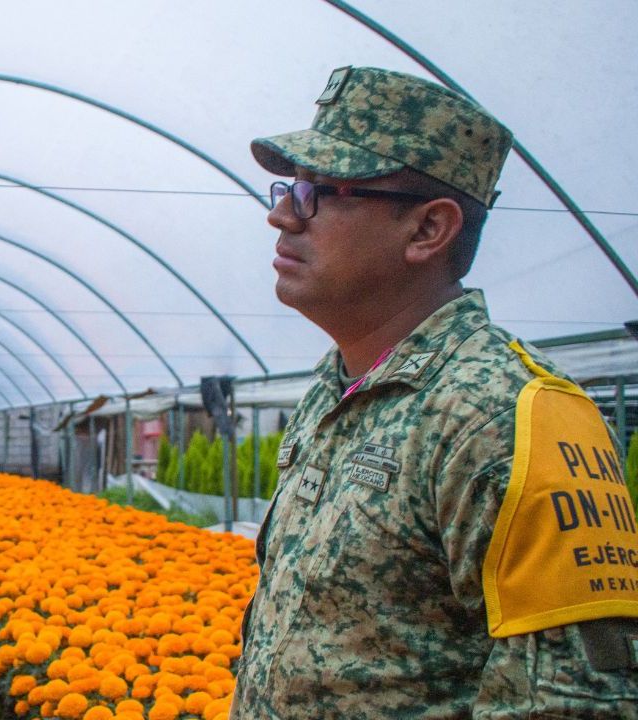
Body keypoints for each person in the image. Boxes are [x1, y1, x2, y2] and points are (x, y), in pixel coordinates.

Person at [229, 66, 638, 718]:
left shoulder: (507, 419)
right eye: (289, 187)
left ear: (427, 230)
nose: (282, 213)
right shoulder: (337, 387)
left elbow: (576, 703)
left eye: (319, 192)